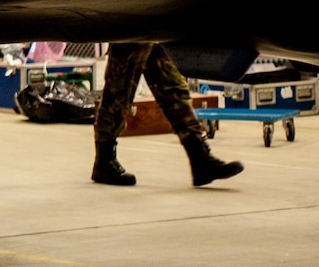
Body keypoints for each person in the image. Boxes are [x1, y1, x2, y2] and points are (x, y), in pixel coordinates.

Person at [93, 42, 242, 186]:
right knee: (120, 88)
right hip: (131, 24)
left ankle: (199, 157)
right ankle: (104, 159)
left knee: (173, 87)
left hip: (154, 26)